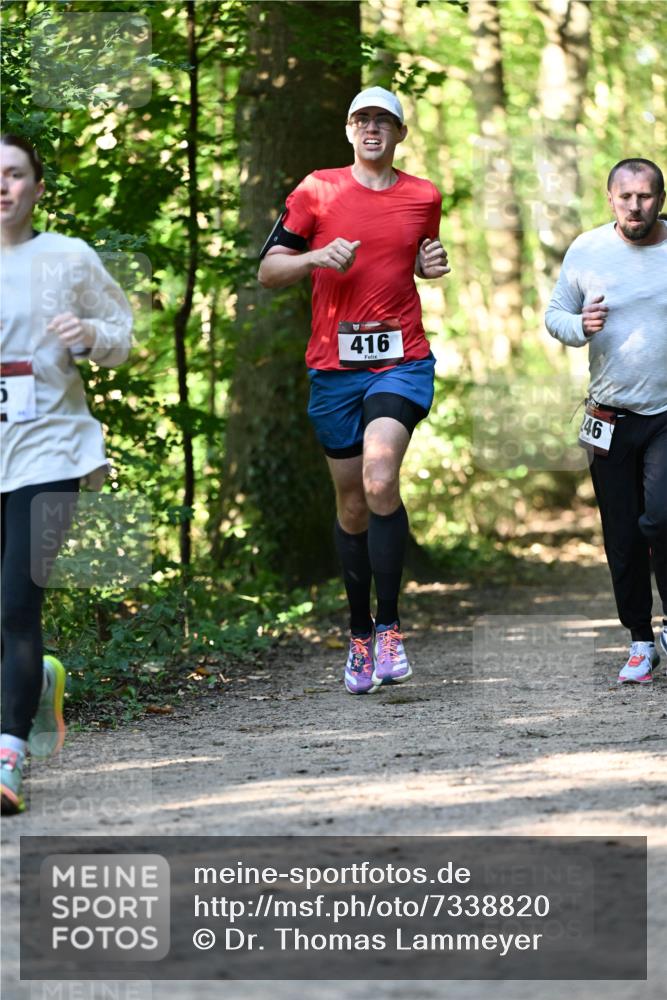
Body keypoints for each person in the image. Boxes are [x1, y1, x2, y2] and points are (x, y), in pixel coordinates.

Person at [257, 87, 449, 695]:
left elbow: (414, 257)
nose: (372, 129)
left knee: (379, 478)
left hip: (401, 361)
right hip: (333, 368)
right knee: (352, 505)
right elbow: (268, 271)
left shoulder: (424, 195)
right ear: (348, 130)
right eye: (362, 120)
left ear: (400, 134)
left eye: (384, 121)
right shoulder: (317, 190)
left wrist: (428, 266)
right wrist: (315, 257)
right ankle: (360, 631)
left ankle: (390, 629)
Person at [0, 134, 133, 813]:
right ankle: (40, 681)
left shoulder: (67, 257)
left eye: (14, 174)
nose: (3, 186)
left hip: (50, 449)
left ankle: (7, 754)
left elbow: (121, 334)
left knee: (16, 604)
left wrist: (90, 335)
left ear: (37, 187)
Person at [545, 157, 667, 684]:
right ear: (610, 198)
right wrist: (580, 325)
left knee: (661, 517)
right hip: (610, 414)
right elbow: (555, 315)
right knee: (621, 532)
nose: (635, 207)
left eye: (646, 196)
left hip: (666, 413)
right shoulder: (587, 250)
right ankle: (640, 639)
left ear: (660, 199)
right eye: (626, 197)